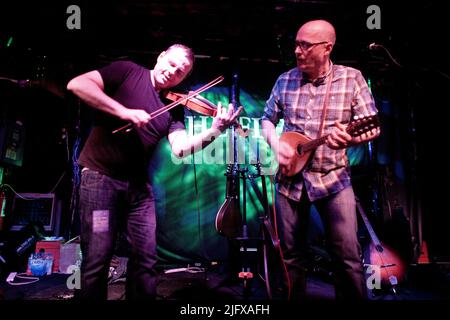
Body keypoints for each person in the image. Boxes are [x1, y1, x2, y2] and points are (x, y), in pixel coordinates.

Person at [67, 44, 241, 300]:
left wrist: (216, 130)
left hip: (138, 187)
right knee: (97, 256)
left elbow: (181, 148)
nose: (173, 73)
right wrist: (123, 111)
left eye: (181, 72)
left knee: (146, 258)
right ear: (160, 57)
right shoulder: (127, 71)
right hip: (101, 179)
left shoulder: (175, 105)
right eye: (171, 64)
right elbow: (78, 85)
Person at [261, 20, 380, 300]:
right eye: (297, 44)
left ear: (327, 48)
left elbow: (373, 127)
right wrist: (276, 143)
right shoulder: (285, 80)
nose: (298, 50)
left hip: (334, 180)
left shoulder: (352, 78)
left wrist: (351, 139)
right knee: (290, 257)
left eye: (305, 45)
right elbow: (267, 119)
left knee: (347, 257)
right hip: (290, 181)